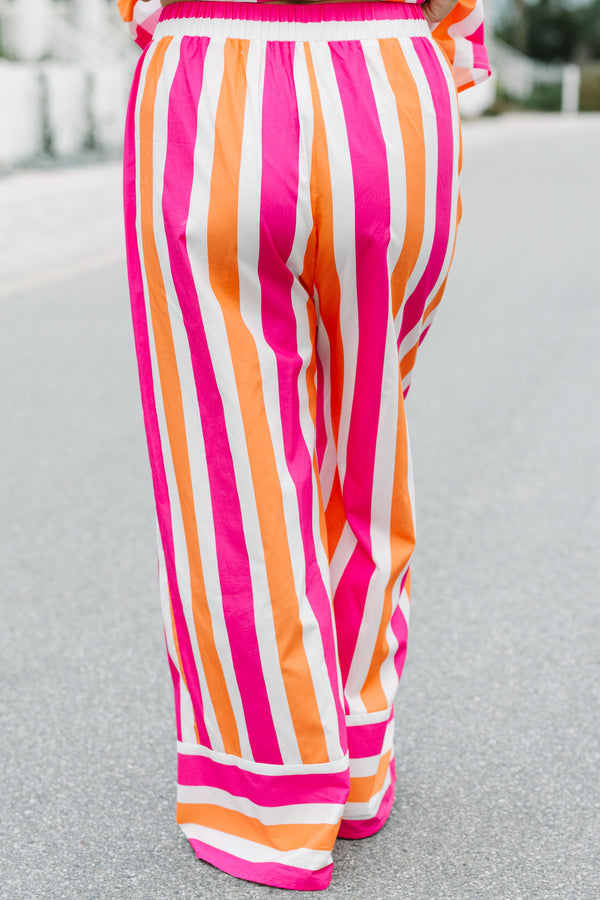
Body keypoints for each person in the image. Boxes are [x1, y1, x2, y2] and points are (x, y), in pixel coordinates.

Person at [119, 0, 489, 890]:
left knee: (229, 468)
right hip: (388, 84)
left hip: (206, 84)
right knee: (368, 444)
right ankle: (357, 757)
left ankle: (271, 795)